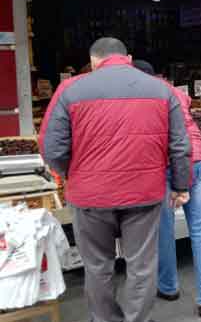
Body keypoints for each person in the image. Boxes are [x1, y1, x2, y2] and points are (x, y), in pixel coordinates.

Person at [39, 38, 192, 322]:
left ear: (94, 61)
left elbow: (51, 148)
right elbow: (181, 146)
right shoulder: (161, 89)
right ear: (128, 58)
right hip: (144, 195)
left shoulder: (70, 89)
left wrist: (74, 173)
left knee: (97, 266)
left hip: (90, 195)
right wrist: (181, 186)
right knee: (142, 266)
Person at [133, 60, 201, 319]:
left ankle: (168, 287)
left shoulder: (137, 98)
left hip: (165, 165)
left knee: (163, 227)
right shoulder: (175, 92)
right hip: (197, 161)